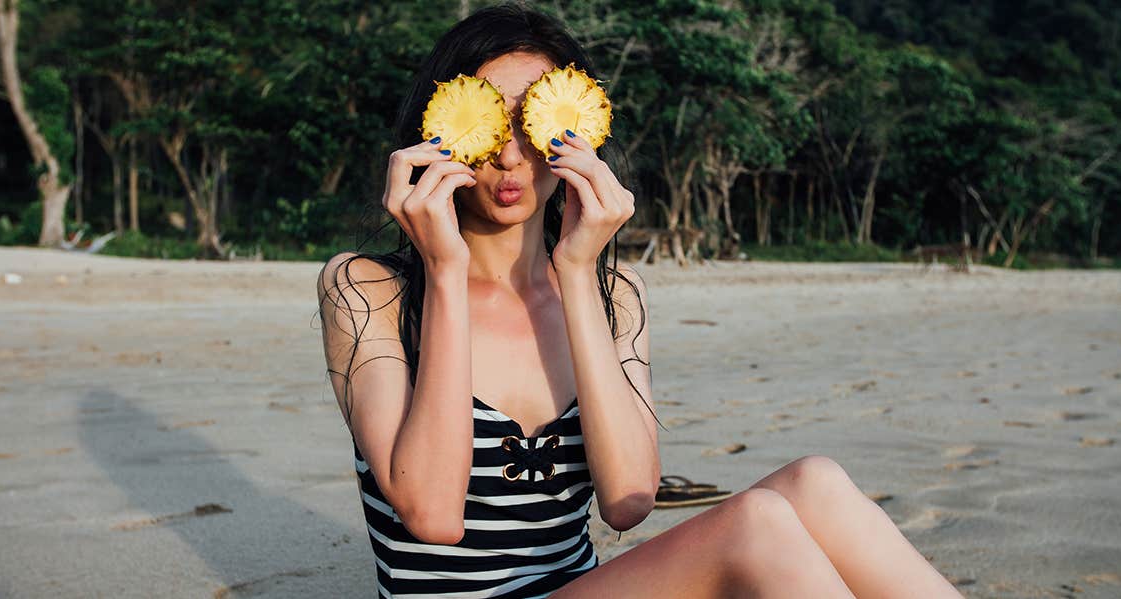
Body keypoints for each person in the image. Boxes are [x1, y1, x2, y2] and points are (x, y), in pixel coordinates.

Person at [317, 3, 964, 597]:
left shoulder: (613, 293)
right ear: (440, 127)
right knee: (758, 522)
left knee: (816, 482)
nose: (510, 155)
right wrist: (445, 271)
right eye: (485, 122)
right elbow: (431, 514)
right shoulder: (369, 287)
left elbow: (628, 500)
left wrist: (577, 273)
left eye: (531, 122)